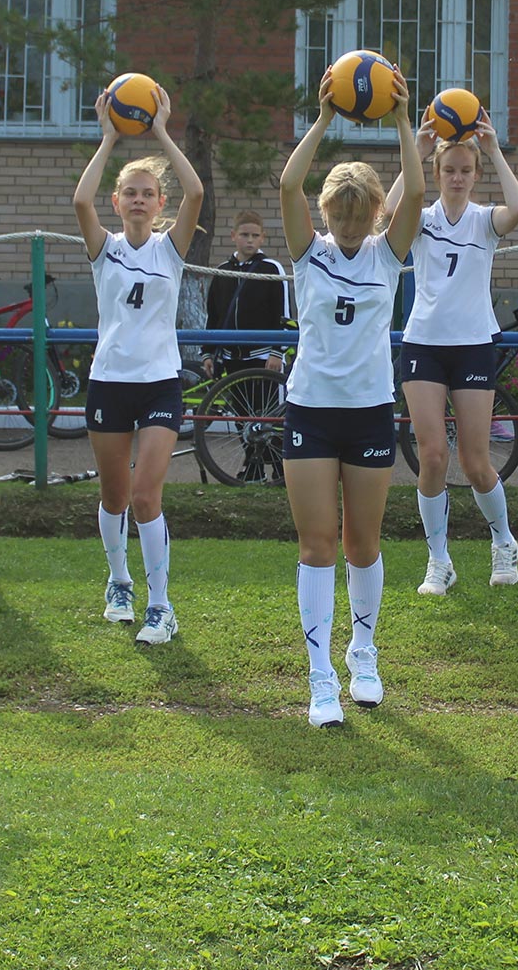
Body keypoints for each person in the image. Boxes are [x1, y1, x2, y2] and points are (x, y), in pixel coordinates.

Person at [279, 70, 424, 727]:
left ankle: (363, 651)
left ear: (375, 215)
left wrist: (401, 120)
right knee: (317, 544)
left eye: (358, 214)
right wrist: (323, 120)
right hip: (310, 411)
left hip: (367, 412)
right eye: (338, 213)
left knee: (362, 541)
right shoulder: (307, 253)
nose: (345, 223)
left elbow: (415, 190)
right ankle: (320, 679)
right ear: (326, 212)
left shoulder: (386, 255)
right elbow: (289, 185)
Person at [72, 83, 204, 645]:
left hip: (158, 386)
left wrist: (161, 132)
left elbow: (196, 190)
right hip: (109, 383)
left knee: (147, 497)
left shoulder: (169, 249)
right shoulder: (105, 248)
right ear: (118, 201)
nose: (139, 200)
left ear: (159, 204)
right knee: (114, 497)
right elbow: (80, 202)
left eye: (148, 194)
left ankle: (161, 605)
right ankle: (119, 581)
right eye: (130, 193)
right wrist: (108, 137)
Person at [389, 110, 518, 595]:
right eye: (449, 170)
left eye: (465, 170)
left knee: (474, 462)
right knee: (431, 456)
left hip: (472, 345)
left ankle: (503, 540)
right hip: (424, 344)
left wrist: (493, 150)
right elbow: (386, 215)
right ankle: (438, 559)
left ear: (475, 175)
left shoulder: (483, 221)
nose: (457, 177)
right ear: (436, 173)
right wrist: (418, 151)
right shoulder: (422, 218)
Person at [203, 211, 290, 381]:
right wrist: (208, 351)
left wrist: (277, 352)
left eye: (255, 235)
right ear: (233, 236)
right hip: (230, 358)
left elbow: (283, 313)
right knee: (235, 399)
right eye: (244, 235)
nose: (250, 240)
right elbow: (213, 315)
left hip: (264, 356)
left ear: (262, 237)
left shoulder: (272, 268)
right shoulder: (222, 271)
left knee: (268, 398)